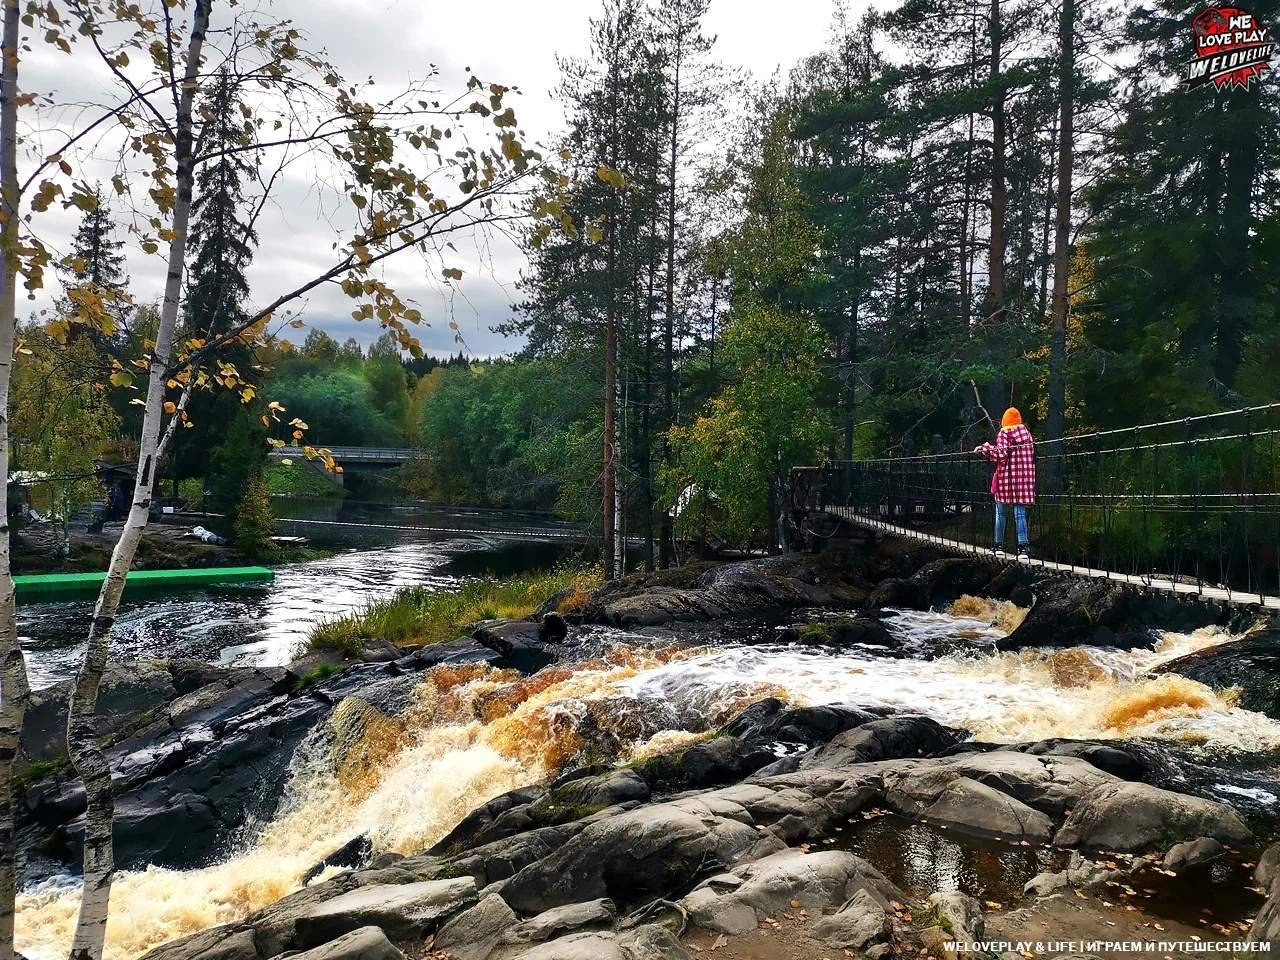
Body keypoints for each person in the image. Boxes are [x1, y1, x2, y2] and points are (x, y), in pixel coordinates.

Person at [974, 407, 1036, 560]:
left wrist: (984, 448)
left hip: (1007, 478)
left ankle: (998, 546)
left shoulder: (1005, 433)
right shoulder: (1027, 435)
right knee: (1019, 513)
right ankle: (1023, 549)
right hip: (1024, 478)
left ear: (1005, 422)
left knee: (1000, 512)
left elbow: (1000, 455)